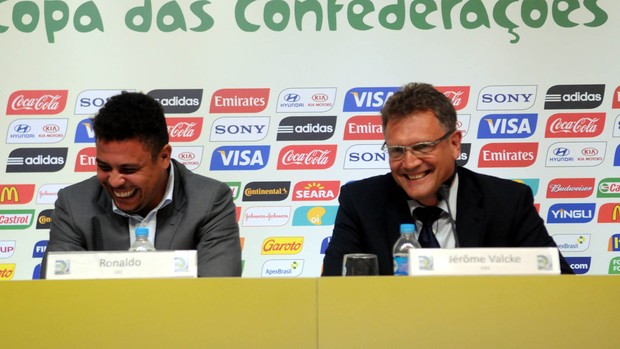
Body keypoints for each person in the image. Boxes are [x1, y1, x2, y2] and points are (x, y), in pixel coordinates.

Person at [322, 82, 573, 275]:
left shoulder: (507, 202)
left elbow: (560, 286)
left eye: (422, 147)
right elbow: (335, 292)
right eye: (397, 150)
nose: (409, 163)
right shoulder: (362, 202)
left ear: (454, 144)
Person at [42, 92, 242, 277]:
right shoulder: (74, 205)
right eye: (104, 167)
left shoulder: (209, 201)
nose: (114, 181)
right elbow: (60, 294)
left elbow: (217, 291)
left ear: (164, 156)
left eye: (128, 170)